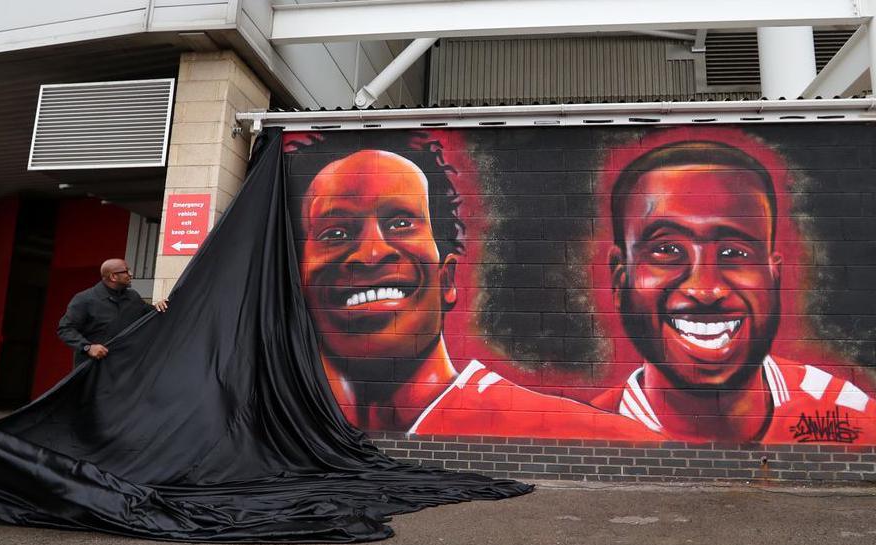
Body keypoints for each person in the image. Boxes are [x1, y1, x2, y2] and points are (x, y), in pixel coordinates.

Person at [290, 135, 653, 439]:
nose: (371, 253)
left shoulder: (590, 436)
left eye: (401, 223)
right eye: (335, 233)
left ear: (447, 279)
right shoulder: (275, 422)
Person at [592, 140, 876, 443]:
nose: (705, 290)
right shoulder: (594, 429)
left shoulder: (849, 412)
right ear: (620, 276)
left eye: (734, 252)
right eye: (668, 249)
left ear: (773, 273)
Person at [57, 259, 168, 367]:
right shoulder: (84, 299)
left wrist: (160, 306)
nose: (131, 274)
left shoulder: (133, 297)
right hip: (94, 369)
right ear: (113, 277)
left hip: (125, 369)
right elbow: (65, 329)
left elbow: (151, 316)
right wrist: (88, 347)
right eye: (126, 271)